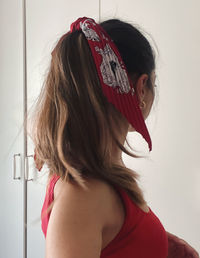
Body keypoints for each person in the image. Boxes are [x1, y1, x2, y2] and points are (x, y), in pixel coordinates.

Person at [32, 17, 199, 258]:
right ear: (141, 87)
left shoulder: (95, 175)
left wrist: (158, 243)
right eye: (154, 82)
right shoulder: (83, 195)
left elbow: (113, 242)